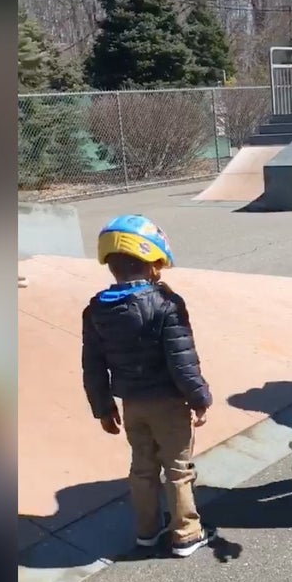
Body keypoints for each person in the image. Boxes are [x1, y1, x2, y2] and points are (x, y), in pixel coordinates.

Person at [80, 214, 216, 557]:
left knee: (142, 468)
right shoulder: (167, 304)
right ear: (153, 262)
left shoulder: (96, 309)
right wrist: (200, 398)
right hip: (169, 404)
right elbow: (182, 361)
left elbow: (93, 365)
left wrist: (103, 407)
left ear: (111, 265)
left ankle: (146, 531)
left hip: (132, 406)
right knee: (178, 468)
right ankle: (186, 532)